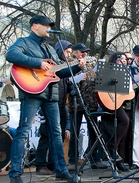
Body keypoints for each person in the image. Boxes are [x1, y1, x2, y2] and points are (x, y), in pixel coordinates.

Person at [5, 15, 85, 183]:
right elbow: (11, 54)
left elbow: (58, 73)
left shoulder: (50, 49)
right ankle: (15, 174)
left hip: (51, 94)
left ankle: (61, 170)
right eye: (46, 25)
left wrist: (78, 66)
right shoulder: (24, 42)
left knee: (56, 132)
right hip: (32, 92)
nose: (49, 27)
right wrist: (37, 63)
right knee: (23, 131)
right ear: (34, 26)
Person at [35, 40, 73, 175]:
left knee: (59, 135)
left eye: (70, 52)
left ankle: (53, 164)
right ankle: (40, 164)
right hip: (50, 102)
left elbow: (65, 86)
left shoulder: (64, 67)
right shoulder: (52, 65)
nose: (69, 55)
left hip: (61, 103)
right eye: (67, 52)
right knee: (46, 134)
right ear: (59, 50)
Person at [67, 43, 107, 169]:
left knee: (94, 131)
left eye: (86, 51)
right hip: (76, 102)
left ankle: (95, 159)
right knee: (75, 132)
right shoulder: (69, 63)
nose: (84, 54)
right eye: (82, 51)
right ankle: (73, 160)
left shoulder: (91, 64)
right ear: (75, 52)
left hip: (91, 102)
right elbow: (67, 81)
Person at [100, 52, 130, 172]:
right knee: (124, 121)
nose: (123, 60)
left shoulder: (127, 72)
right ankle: (112, 146)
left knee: (123, 132)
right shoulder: (107, 70)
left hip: (121, 102)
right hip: (109, 101)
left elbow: (128, 91)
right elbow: (102, 86)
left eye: (124, 59)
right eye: (120, 58)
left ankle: (119, 162)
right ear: (115, 60)